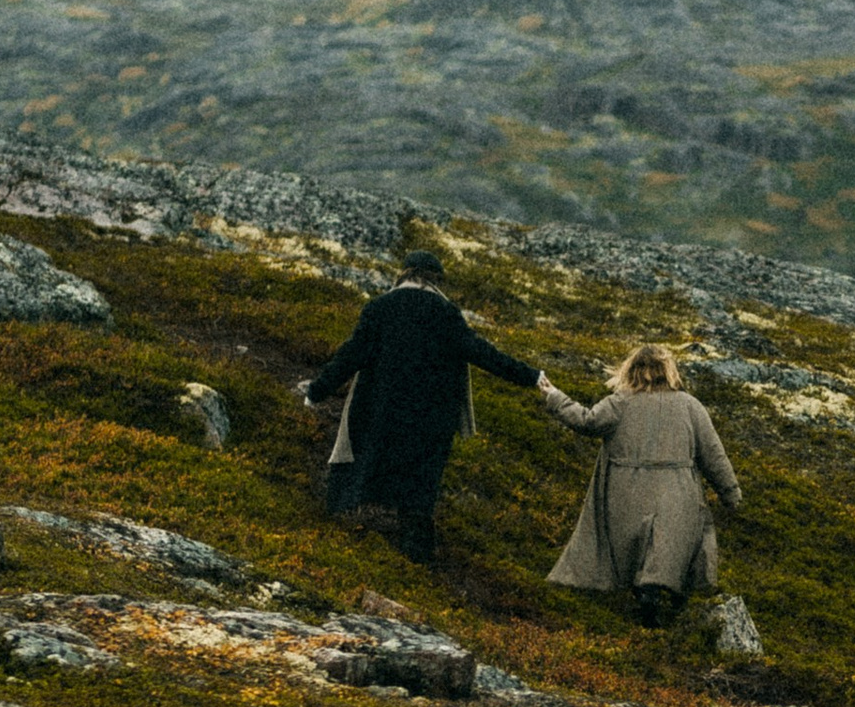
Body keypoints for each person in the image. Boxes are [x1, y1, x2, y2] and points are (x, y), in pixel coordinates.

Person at [300, 250, 549, 566]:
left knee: (366, 460)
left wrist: (317, 391)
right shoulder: (445, 313)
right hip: (433, 416)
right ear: (435, 280)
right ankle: (416, 553)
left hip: (383, 409)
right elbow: (483, 353)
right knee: (420, 480)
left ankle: (338, 523)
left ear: (403, 274)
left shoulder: (380, 308)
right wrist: (531, 376)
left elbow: (351, 355)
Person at [539, 344, 742, 627]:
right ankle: (656, 593)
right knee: (666, 549)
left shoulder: (621, 402)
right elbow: (714, 456)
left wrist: (554, 397)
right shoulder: (690, 406)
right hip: (677, 492)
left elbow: (586, 421)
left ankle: (639, 596)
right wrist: (730, 494)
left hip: (626, 489)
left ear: (631, 369)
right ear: (669, 371)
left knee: (633, 545)